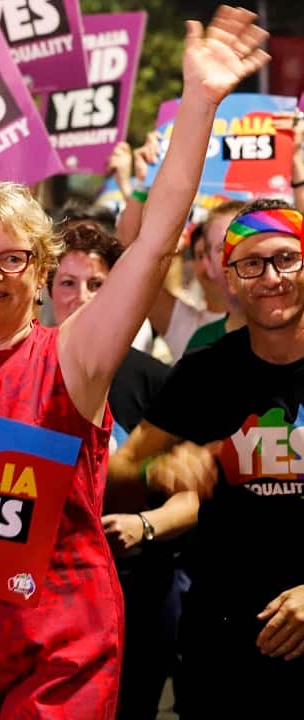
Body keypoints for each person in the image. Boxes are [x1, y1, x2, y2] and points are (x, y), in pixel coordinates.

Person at [0, 9, 268, 718]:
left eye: (12, 257)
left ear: (42, 270)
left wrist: (200, 103)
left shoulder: (75, 351)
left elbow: (156, 241)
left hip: (60, 647)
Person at [108, 197, 304, 718]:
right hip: (223, 643)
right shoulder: (203, 372)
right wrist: (158, 471)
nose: (272, 277)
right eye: (252, 264)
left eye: (287, 258)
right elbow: (120, 470)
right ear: (230, 280)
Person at [49, 220, 198, 720]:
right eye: (67, 283)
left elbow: (192, 494)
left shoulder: (157, 379)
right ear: (48, 290)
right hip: (49, 602)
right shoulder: (25, 370)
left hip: (141, 595)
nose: (82, 297)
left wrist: (145, 525)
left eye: (97, 284)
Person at [184, 200, 248, 350]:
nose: (234, 255)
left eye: (242, 242)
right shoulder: (203, 345)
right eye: (222, 248)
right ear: (209, 264)